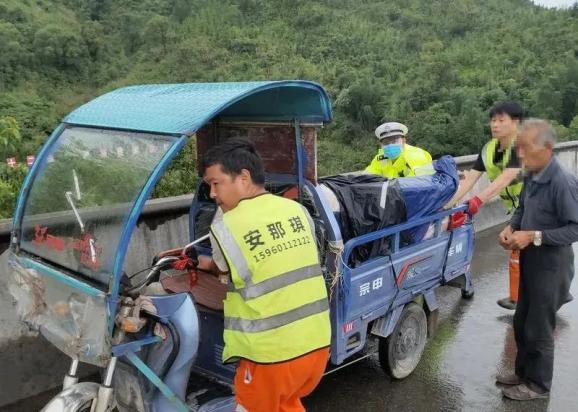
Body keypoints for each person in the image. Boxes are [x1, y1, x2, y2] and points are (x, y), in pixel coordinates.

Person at [197, 138, 331, 412]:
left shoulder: (226, 224)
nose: (212, 194)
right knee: (287, 404)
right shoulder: (297, 210)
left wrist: (201, 263)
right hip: (316, 346)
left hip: (271, 354)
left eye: (215, 183)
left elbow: (224, 270)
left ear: (243, 177)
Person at [496, 119, 578, 401]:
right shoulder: (532, 173)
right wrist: (511, 227)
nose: (520, 154)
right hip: (531, 260)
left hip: (552, 265)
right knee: (521, 321)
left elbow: (574, 228)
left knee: (539, 326)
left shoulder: (562, 182)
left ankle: (539, 386)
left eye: (526, 148)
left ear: (547, 148)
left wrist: (534, 236)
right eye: (518, 148)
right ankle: (522, 374)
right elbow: (522, 207)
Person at [447, 101, 524, 310]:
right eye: (492, 120)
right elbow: (469, 181)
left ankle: (538, 301)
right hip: (519, 208)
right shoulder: (489, 149)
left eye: (501, 120)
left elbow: (506, 177)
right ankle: (521, 298)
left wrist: (478, 200)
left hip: (542, 203)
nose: (495, 125)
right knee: (519, 250)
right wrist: (446, 205)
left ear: (515, 123)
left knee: (535, 250)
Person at [365, 121, 433, 178]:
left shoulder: (416, 156)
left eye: (395, 141)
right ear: (381, 145)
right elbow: (367, 176)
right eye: (386, 143)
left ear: (404, 141)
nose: (390, 145)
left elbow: (419, 186)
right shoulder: (381, 158)